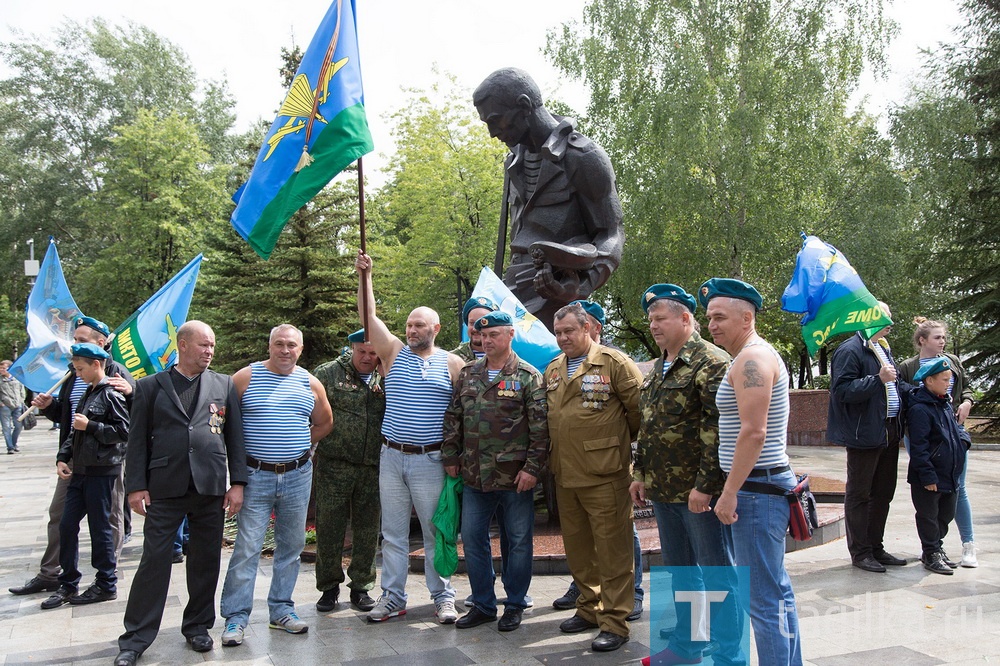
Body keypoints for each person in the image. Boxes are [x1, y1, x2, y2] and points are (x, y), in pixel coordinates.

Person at [115, 321, 246, 666]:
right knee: (154, 562)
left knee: (205, 561)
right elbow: (137, 440)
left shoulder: (223, 384)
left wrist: (238, 483)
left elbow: (234, 437)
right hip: (164, 488)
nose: (209, 351)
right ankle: (135, 639)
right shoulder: (149, 387)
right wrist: (135, 486)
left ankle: (198, 627)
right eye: (203, 345)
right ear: (183, 345)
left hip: (210, 487)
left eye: (212, 346)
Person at [630, 285, 744, 665]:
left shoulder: (710, 361)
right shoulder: (660, 365)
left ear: (684, 318)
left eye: (660, 318)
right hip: (664, 491)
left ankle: (729, 656)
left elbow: (719, 429)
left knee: (717, 576)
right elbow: (649, 426)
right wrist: (640, 472)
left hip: (699, 493)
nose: (653, 326)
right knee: (682, 574)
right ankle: (690, 646)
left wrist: (706, 486)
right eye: (650, 320)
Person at [355, 251, 465, 623]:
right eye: (408, 325)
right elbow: (369, 320)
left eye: (420, 325)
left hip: (431, 460)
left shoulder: (453, 363)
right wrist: (365, 277)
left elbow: (464, 414)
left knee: (436, 532)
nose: (412, 330)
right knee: (393, 533)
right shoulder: (393, 353)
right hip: (392, 457)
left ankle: (443, 596)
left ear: (436, 328)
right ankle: (392, 597)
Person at [474, 68, 624, 329]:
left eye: (496, 120)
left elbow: (612, 234)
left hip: (557, 298)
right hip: (511, 294)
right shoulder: (514, 160)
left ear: (524, 105)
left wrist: (578, 286)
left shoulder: (583, 156)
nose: (493, 133)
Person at [704, 278, 802, 666]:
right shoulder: (748, 357)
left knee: (762, 600)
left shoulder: (752, 359)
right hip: (759, 486)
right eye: (709, 317)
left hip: (757, 490)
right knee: (774, 593)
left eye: (720, 317)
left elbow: (754, 430)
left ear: (747, 317)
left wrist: (729, 493)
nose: (711, 324)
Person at [219, 324, 333, 646]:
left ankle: (282, 610)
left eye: (292, 345)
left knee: (292, 547)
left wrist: (302, 446)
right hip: (255, 476)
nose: (285, 350)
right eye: (279, 344)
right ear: (269, 346)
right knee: (247, 549)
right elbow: (225, 426)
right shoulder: (245, 378)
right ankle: (236, 618)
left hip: (297, 476)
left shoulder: (310, 383)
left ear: (300, 348)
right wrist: (235, 477)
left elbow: (325, 422)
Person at [10, 316, 134, 598]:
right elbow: (69, 418)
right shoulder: (73, 373)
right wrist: (50, 406)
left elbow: (127, 423)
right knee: (61, 517)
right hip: (76, 457)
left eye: (81, 340)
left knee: (107, 520)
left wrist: (132, 391)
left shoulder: (116, 374)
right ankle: (53, 574)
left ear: (100, 347)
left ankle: (106, 578)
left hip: (105, 462)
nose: (74, 344)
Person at [545, 302, 643, 652]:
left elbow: (639, 414)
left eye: (569, 330)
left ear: (589, 329)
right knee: (579, 549)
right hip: (565, 474)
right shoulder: (554, 369)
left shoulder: (614, 363)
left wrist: (615, 448)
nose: (563, 338)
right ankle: (588, 608)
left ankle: (615, 621)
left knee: (613, 552)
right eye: (558, 332)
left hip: (605, 474)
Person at [442, 311, 548, 632]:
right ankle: (484, 603)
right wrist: (450, 454)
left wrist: (532, 468)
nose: (486, 341)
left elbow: (541, 429)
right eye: (482, 336)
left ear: (510, 335)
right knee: (473, 538)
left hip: (515, 477)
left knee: (517, 541)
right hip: (475, 475)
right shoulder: (468, 374)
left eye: (494, 335)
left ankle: (515, 603)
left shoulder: (528, 376)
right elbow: (454, 417)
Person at [40, 343, 129, 610]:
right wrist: (62, 457)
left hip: (102, 472)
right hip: (80, 470)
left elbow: (124, 432)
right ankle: (68, 583)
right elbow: (73, 432)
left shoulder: (112, 394)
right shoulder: (88, 393)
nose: (77, 374)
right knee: (66, 525)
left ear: (96, 365)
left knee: (100, 528)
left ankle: (105, 583)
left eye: (80, 369)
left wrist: (91, 425)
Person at [828, 302, 912, 573]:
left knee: (883, 493)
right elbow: (842, 391)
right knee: (860, 494)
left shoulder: (882, 348)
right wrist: (877, 379)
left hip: (888, 431)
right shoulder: (850, 350)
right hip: (864, 433)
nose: (890, 321)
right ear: (868, 318)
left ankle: (876, 547)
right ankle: (861, 553)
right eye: (885, 316)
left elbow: (895, 384)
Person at [312, 329, 386, 613]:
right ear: (351, 349)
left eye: (372, 352)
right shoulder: (328, 374)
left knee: (368, 529)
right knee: (329, 527)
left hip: (373, 466)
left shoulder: (386, 374)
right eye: (361, 351)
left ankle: (362, 587)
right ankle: (329, 588)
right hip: (335, 464)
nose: (367, 358)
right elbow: (311, 410)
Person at [899, 317, 978, 567]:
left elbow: (966, 389)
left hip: (952, 435)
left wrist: (962, 435)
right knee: (929, 496)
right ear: (922, 340)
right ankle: (931, 549)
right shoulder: (909, 368)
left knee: (954, 491)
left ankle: (965, 544)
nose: (942, 341)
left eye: (944, 337)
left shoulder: (952, 363)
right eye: (937, 337)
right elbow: (903, 394)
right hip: (927, 434)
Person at [906, 357, 968, 575]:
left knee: (946, 514)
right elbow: (919, 447)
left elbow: (956, 429)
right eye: (944, 380)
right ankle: (931, 551)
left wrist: (963, 442)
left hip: (949, 473)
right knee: (928, 516)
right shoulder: (920, 409)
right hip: (930, 476)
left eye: (949, 380)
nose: (948, 384)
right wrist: (927, 476)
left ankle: (936, 547)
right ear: (929, 381)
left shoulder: (944, 403)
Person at [451, 296, 500, 363]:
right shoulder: (452, 359)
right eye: (472, 323)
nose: (475, 328)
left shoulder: (505, 356)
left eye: (481, 323)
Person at [0, 359, 26, 454]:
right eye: (0, 368)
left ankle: (14, 443)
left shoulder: (17, 378)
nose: (1, 370)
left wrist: (21, 400)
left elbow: (22, 390)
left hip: (17, 405)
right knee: (6, 427)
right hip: (5, 406)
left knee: (18, 426)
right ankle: (10, 447)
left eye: (4, 368)